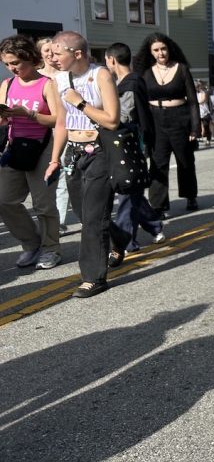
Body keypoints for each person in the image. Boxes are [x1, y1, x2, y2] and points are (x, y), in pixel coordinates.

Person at [45, 31, 121, 298]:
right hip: (73, 154)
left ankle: (93, 277)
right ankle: (118, 238)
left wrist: (81, 102)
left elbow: (112, 119)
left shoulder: (99, 75)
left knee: (91, 218)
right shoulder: (60, 79)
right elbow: (62, 123)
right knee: (85, 212)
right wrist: (55, 158)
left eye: (57, 52)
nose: (52, 58)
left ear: (76, 54)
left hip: (99, 151)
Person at [0, 35, 62, 269]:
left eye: (16, 62)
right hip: (14, 147)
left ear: (30, 58)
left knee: (43, 205)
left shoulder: (47, 84)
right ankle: (31, 243)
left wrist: (29, 114)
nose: (12, 68)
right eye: (7, 64)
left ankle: (50, 249)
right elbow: (3, 118)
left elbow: (57, 119)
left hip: (42, 148)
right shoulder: (7, 84)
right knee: (4, 201)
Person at [103, 43, 165, 266]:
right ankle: (154, 224)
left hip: (130, 142)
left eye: (106, 61)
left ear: (112, 60)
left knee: (128, 192)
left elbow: (126, 116)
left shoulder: (130, 83)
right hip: (121, 142)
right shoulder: (121, 82)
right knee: (132, 191)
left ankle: (126, 242)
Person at [133, 33, 201, 215]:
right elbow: (139, 101)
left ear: (169, 49)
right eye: (156, 50)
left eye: (163, 49)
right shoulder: (145, 73)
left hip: (180, 118)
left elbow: (193, 101)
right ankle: (159, 205)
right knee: (157, 164)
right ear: (150, 52)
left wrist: (195, 127)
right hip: (156, 120)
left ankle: (190, 195)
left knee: (185, 161)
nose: (161, 53)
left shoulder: (182, 69)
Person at [36, 36, 71, 235]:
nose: (50, 54)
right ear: (40, 53)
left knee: (62, 173)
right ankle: (46, 215)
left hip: (62, 129)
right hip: (40, 131)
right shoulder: (37, 76)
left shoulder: (66, 74)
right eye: (46, 50)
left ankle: (60, 220)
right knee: (41, 176)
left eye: (53, 50)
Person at [196, 80, 212, 148]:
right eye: (197, 86)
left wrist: (196, 103)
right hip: (197, 112)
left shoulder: (204, 92)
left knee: (206, 126)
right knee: (197, 126)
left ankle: (208, 139)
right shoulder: (194, 93)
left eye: (199, 86)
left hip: (204, 112)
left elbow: (203, 100)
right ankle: (199, 138)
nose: (198, 87)